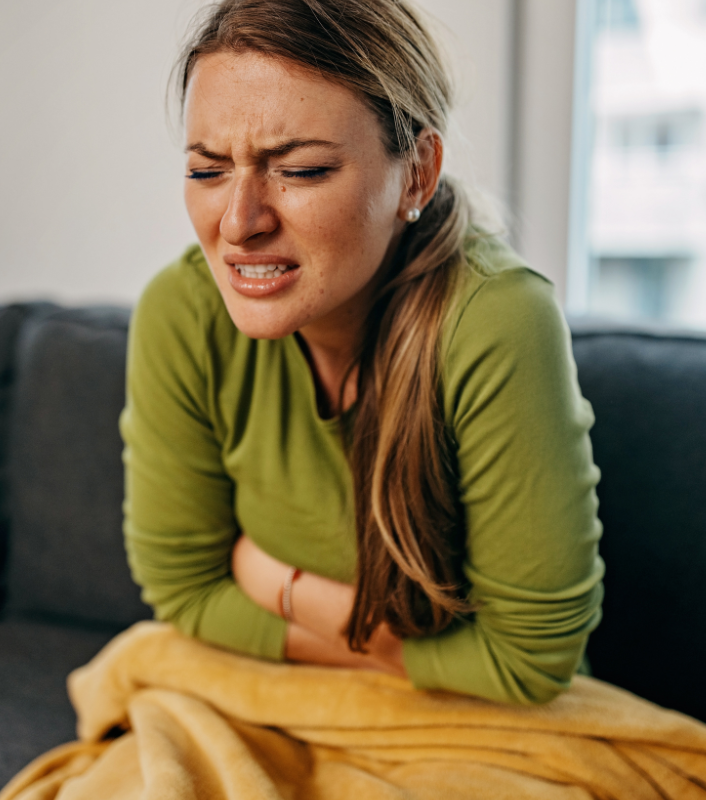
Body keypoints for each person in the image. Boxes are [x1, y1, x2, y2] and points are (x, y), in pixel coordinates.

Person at [119, 0, 605, 706]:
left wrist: (275, 585)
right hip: (275, 698)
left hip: (480, 722)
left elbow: (527, 663)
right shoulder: (182, 312)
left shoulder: (499, 320)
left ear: (416, 174)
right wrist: (388, 640)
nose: (239, 223)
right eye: (208, 170)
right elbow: (183, 593)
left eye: (304, 170)